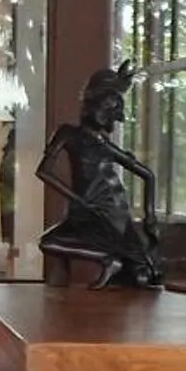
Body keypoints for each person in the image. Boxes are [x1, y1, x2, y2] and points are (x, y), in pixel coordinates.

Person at [36, 62, 164, 288]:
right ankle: (106, 260)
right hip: (90, 207)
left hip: (105, 209)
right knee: (51, 241)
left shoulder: (101, 144)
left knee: (50, 242)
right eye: (102, 109)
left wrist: (150, 217)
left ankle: (108, 260)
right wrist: (77, 199)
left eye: (110, 113)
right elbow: (44, 171)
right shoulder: (71, 135)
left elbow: (148, 175)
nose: (105, 117)